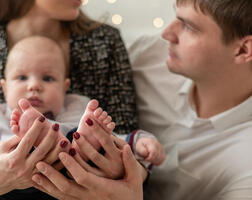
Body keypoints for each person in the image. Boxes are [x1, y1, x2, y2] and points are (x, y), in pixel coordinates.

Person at [30, 0, 252, 199]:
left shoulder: (246, 164)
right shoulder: (151, 55)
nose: (167, 33)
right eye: (175, 16)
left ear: (243, 49)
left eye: (189, 27)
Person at [0, 0, 139, 198]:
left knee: (86, 130)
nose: (34, 87)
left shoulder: (104, 43)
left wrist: (123, 163)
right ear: (3, 87)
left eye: (48, 78)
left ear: (65, 85)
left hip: (81, 174)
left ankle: (69, 139)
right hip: (4, 190)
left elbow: (126, 141)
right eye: (22, 78)